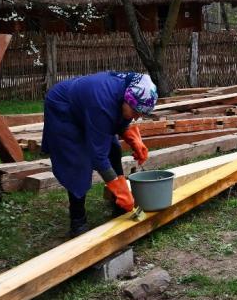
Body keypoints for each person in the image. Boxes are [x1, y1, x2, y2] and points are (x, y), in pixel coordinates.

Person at [41, 71, 157, 237]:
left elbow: (120, 117)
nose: (137, 118)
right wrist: (120, 189)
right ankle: (78, 222)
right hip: (63, 108)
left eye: (141, 114)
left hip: (86, 105)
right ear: (129, 100)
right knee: (78, 164)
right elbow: (98, 157)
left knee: (114, 150)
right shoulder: (102, 103)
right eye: (136, 112)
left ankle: (119, 204)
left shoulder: (127, 90)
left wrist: (134, 140)